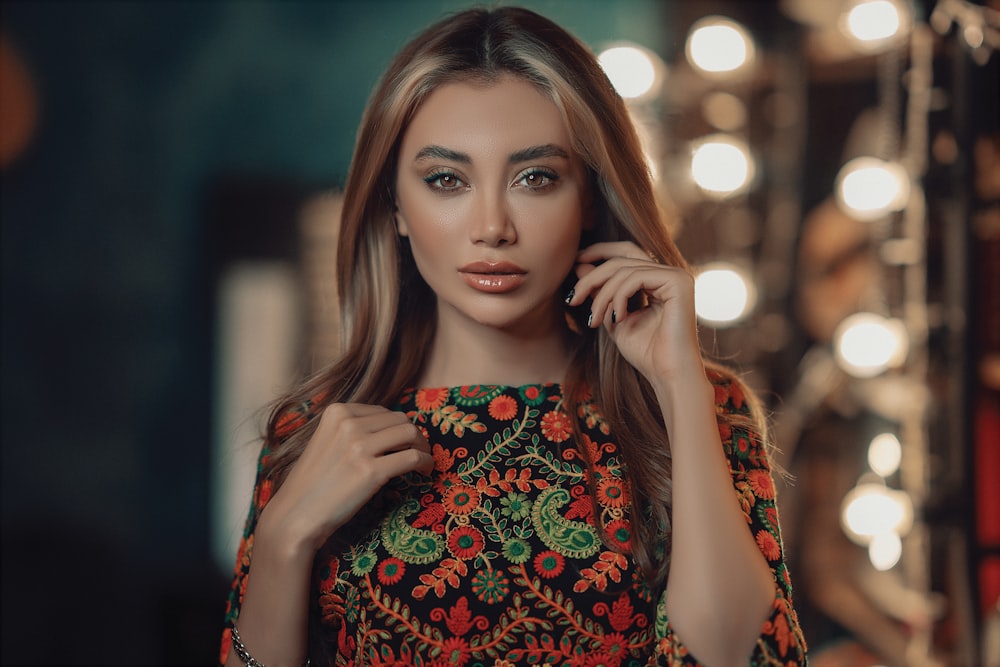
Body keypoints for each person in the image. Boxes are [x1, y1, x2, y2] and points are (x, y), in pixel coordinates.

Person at [220, 7, 807, 666]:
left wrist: (678, 389)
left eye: (536, 178)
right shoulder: (316, 430)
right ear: (393, 204)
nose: (493, 226)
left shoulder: (696, 407)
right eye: (447, 179)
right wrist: (282, 541)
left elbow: (739, 657)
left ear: (589, 195)